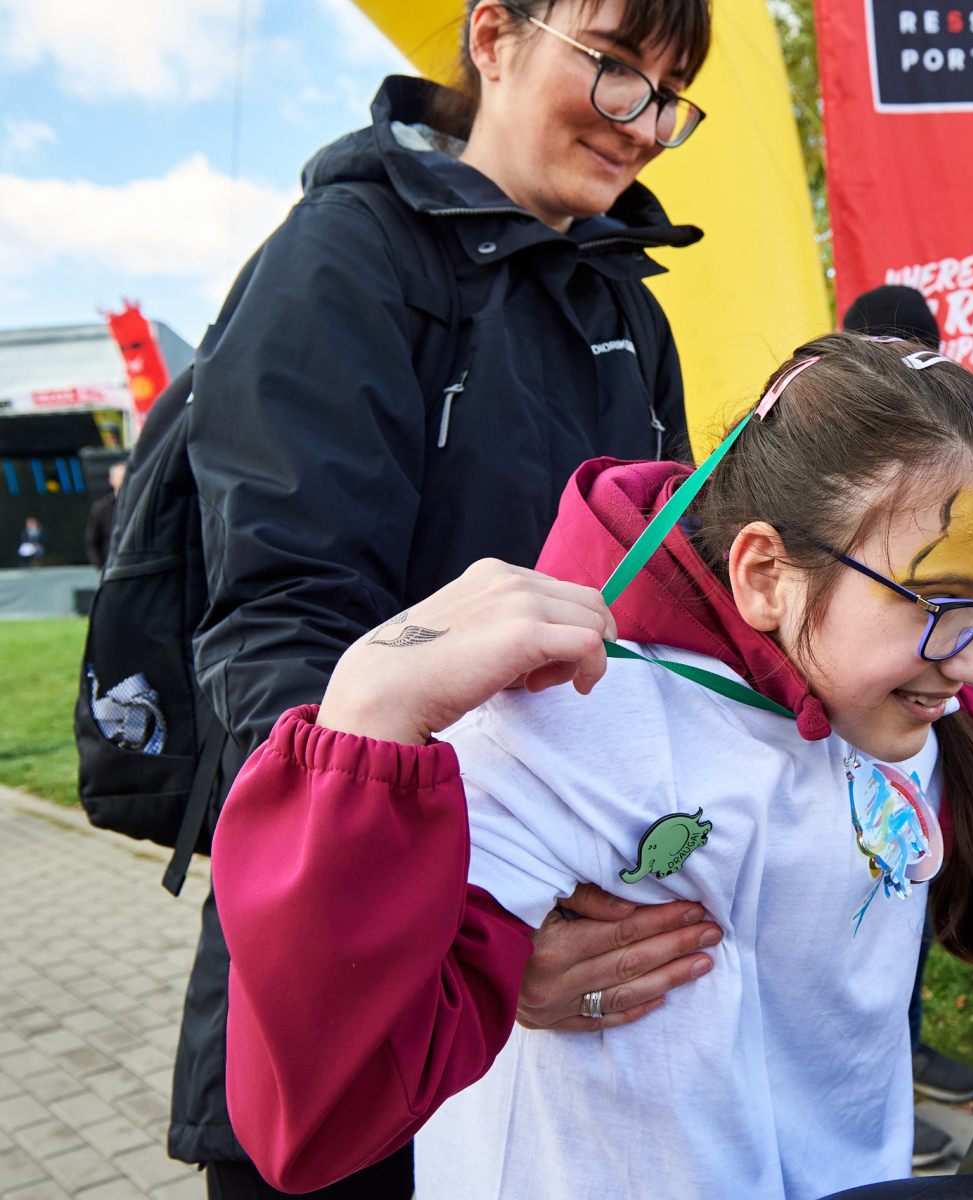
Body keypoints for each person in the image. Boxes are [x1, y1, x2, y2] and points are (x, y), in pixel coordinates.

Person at [210, 334, 973, 1198]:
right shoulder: (568, 725)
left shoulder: (895, 700)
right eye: (940, 602)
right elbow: (318, 1115)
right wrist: (369, 717)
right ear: (765, 574)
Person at [177, 2, 728, 1195]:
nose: (644, 125)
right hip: (370, 960)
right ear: (493, 37)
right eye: (617, 69)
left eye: (670, 95)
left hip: (567, 998)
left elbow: (661, 627)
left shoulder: (632, 311)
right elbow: (276, 626)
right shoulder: (348, 255)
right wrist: (472, 934)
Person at [841, 283, 973, 1169]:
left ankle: (904, 1050)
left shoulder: (969, 469)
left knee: (907, 904)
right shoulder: (823, 473)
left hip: (918, 768)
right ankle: (878, 1083)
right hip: (843, 769)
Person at [85, 461, 125, 570]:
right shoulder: (101, 507)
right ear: (112, 480)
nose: (126, 481)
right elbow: (92, 540)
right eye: (122, 478)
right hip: (111, 565)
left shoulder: (141, 504)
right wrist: (99, 565)